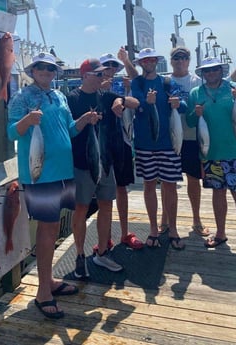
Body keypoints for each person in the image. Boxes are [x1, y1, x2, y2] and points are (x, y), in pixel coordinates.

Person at [7, 52, 101, 319]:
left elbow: (69, 129)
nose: (47, 71)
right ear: (33, 70)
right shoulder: (22, 97)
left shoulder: (59, 96)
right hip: (41, 173)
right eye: (42, 68)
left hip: (63, 171)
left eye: (51, 68)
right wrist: (27, 121)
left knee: (53, 228)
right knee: (46, 230)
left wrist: (84, 120)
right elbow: (12, 132)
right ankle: (42, 292)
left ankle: (49, 282)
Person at [159, 49, 236, 236]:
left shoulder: (221, 87)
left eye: (215, 69)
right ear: (171, 61)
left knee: (228, 192)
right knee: (170, 183)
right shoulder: (173, 85)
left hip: (213, 145)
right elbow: (192, 118)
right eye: (176, 57)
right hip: (186, 144)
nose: (211, 73)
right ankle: (169, 221)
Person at [67, 58, 140, 278]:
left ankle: (102, 251)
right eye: (98, 74)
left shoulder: (106, 96)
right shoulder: (72, 98)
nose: (103, 77)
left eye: (104, 74)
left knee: (106, 205)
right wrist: (83, 120)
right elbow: (68, 129)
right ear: (85, 75)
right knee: (80, 209)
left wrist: (122, 101)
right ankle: (80, 255)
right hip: (82, 163)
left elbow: (136, 103)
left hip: (105, 162)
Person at [186, 57, 236, 259]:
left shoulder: (235, 88)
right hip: (211, 155)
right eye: (207, 71)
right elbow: (191, 122)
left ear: (221, 70)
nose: (211, 73)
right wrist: (195, 112)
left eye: (215, 69)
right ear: (202, 73)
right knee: (218, 195)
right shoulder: (196, 93)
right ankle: (220, 233)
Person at [130, 48, 186, 250]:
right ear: (140, 63)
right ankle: (153, 228)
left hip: (168, 143)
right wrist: (146, 102)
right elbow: (137, 105)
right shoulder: (138, 83)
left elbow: (184, 107)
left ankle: (172, 229)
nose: (148, 62)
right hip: (145, 144)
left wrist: (179, 103)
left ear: (157, 61)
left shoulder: (167, 82)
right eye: (145, 60)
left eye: (152, 59)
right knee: (149, 185)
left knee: (170, 186)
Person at [95, 52, 143, 250]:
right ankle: (104, 238)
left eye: (113, 66)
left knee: (121, 188)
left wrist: (122, 98)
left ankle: (124, 233)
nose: (111, 70)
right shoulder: (93, 89)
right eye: (107, 66)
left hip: (122, 142)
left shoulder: (122, 86)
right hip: (101, 144)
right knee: (103, 194)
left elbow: (136, 104)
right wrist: (101, 91)